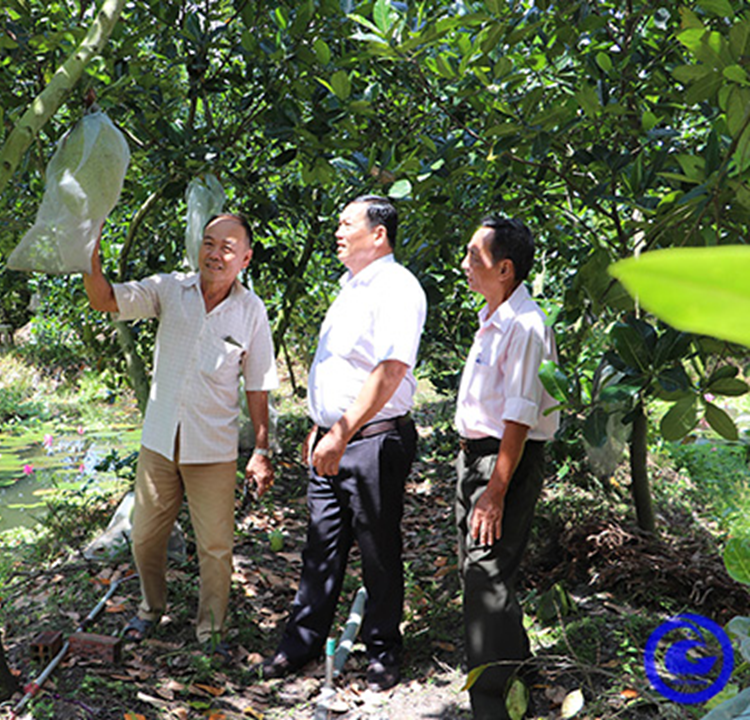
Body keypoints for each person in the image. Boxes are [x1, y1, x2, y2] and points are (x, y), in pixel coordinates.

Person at [82, 212, 278, 659]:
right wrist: (89, 253)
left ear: (245, 258)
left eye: (228, 247)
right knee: (145, 537)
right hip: (159, 442)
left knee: (215, 546)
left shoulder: (252, 312)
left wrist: (261, 449)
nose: (215, 253)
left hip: (212, 449)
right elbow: (105, 300)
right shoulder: (170, 288)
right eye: (209, 243)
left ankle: (211, 632)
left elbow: (258, 382)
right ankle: (152, 608)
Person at [262, 195, 426, 691]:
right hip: (331, 441)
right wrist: (321, 429)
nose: (337, 231)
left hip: (371, 442)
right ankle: (302, 642)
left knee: (378, 549)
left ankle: (382, 651)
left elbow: (392, 370)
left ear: (378, 234)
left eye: (346, 224)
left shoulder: (397, 287)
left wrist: (341, 431)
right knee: (320, 547)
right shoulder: (349, 287)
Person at [455, 216, 559, 718]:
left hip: (505, 460)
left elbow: (519, 416)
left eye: (475, 257)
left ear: (505, 269)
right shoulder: (493, 316)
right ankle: (521, 665)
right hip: (478, 457)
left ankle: (492, 702)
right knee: (480, 570)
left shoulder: (525, 325)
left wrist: (496, 490)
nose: (466, 265)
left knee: (486, 574)